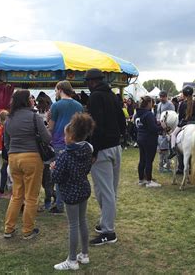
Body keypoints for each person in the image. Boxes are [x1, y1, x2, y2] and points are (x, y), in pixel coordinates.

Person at [85, 68, 126, 246]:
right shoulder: (113, 96)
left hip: (102, 149)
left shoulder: (95, 97)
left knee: (105, 192)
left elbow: (95, 126)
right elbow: (123, 122)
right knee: (110, 191)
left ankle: (108, 231)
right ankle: (104, 223)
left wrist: (93, 151)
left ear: (92, 81)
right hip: (116, 147)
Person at [3, 90, 51, 240]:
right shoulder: (34, 117)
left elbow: (6, 142)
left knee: (16, 195)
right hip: (31, 157)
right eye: (30, 97)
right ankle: (27, 230)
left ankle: (8, 229)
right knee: (31, 196)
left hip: (13, 157)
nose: (32, 99)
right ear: (26, 100)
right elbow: (47, 138)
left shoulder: (8, 119)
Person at [52, 113, 94, 271]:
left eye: (65, 135)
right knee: (82, 221)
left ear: (71, 136)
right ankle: (84, 254)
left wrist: (53, 168)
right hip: (83, 189)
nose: (64, 138)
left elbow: (56, 177)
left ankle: (71, 259)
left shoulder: (65, 156)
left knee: (73, 225)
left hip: (70, 193)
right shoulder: (87, 150)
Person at [48, 80, 83, 214]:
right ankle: (76, 199)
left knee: (59, 172)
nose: (55, 92)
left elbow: (51, 127)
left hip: (59, 141)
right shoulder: (79, 105)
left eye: (56, 90)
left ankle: (59, 204)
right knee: (75, 172)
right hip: (75, 141)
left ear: (61, 89)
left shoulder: (55, 106)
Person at [134, 96, 163, 188]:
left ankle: (141, 179)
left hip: (140, 137)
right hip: (149, 139)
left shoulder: (137, 114)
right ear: (148, 103)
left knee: (142, 159)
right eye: (151, 103)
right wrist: (162, 127)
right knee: (149, 160)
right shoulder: (149, 114)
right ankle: (149, 181)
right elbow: (153, 129)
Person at [167, 86, 195, 159]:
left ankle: (172, 150)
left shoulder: (182, 104)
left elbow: (180, 116)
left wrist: (180, 123)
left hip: (185, 122)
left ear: (184, 94)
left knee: (173, 134)